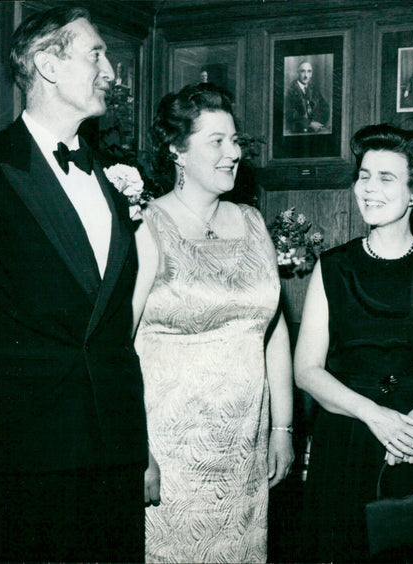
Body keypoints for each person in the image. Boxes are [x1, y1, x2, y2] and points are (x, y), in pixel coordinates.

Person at [0, 7, 147, 562]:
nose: (112, 71)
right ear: (48, 64)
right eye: (96, 54)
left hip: (113, 453)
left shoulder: (109, 178)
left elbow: (111, 325)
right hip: (23, 456)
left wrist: (135, 447)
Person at [295, 123, 413, 562]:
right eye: (364, 175)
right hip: (348, 439)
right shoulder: (334, 267)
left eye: (386, 178)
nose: (369, 189)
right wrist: (375, 416)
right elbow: (306, 369)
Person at [134, 82, 295, 563]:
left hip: (245, 451)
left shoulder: (251, 222)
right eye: (216, 142)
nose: (233, 153)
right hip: (170, 456)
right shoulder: (145, 225)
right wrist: (136, 450)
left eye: (235, 140)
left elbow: (273, 330)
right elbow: (113, 344)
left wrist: (283, 429)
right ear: (176, 150)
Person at [285, 60, 330, 134]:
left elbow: (325, 108)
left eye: (309, 71)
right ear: (298, 72)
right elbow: (290, 114)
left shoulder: (313, 88)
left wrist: (317, 122)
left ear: (311, 74)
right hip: (296, 132)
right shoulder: (290, 89)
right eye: (303, 71)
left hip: (314, 131)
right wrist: (310, 124)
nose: (306, 75)